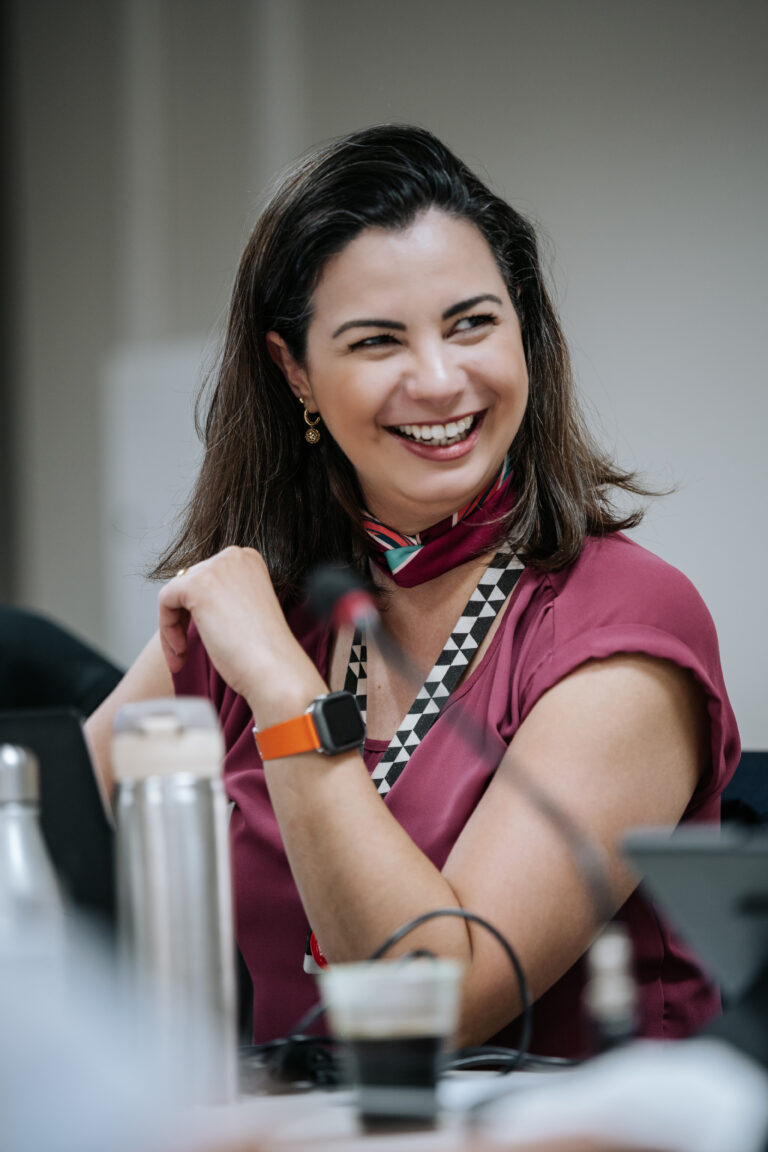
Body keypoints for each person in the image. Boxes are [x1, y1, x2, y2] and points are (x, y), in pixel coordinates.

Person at [85, 124, 739, 1058]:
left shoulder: (626, 623)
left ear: (523, 328)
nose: (438, 379)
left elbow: (442, 1002)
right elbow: (51, 834)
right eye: (377, 341)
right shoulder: (272, 603)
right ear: (295, 371)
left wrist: (285, 693)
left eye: (472, 323)